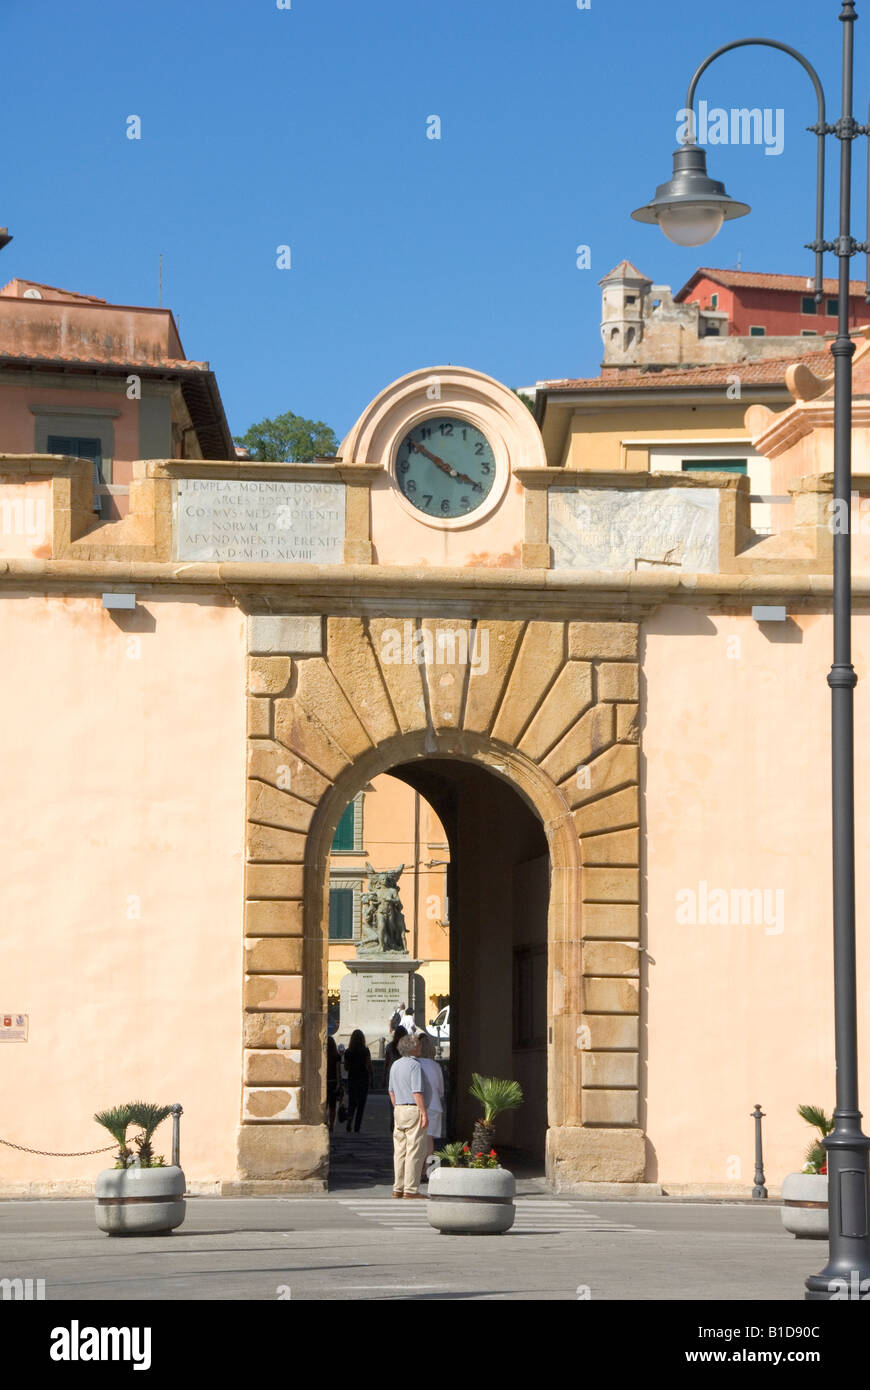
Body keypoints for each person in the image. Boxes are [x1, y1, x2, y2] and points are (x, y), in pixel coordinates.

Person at [388, 1033, 428, 1198]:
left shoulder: (395, 1065)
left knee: (399, 1150)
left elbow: (391, 1091)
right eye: (418, 1045)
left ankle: (398, 1186)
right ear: (412, 1048)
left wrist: (397, 1107)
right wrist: (423, 1112)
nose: (419, 1047)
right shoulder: (415, 1065)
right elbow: (417, 1091)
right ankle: (410, 1189)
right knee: (414, 1150)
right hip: (412, 1109)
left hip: (399, 1109)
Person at [417, 1031, 445, 1179]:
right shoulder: (436, 1066)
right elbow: (441, 1090)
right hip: (434, 1106)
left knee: (417, 1139)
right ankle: (428, 1170)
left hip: (419, 1106)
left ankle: (417, 1169)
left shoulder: (415, 1064)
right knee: (429, 1140)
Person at [343, 1029, 373, 1134]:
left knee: (352, 1102)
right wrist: (371, 1075)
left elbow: (346, 1067)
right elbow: (369, 1065)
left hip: (352, 1078)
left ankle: (350, 1118)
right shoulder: (365, 1051)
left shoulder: (348, 1052)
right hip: (363, 1079)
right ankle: (357, 1127)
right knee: (361, 1105)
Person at [383, 1025, 407, 1133]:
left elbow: (386, 1064)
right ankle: (402, 1124)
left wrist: (384, 1077)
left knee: (393, 1102)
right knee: (405, 1101)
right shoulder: (407, 1047)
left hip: (392, 1076)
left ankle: (393, 1125)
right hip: (405, 1076)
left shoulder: (390, 1047)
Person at [325, 1035, 341, 1134]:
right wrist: (339, 1083)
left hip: (325, 1082)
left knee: (324, 1105)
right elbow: (338, 1071)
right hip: (333, 1082)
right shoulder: (336, 1056)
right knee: (333, 1106)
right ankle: (331, 1125)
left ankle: (324, 1122)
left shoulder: (323, 1056)